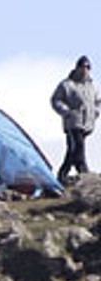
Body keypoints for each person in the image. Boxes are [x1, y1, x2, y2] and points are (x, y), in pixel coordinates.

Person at [52, 57, 98, 185]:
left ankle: (63, 175)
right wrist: (66, 112)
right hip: (73, 122)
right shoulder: (67, 85)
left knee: (73, 150)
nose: (85, 70)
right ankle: (83, 172)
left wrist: (95, 113)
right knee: (78, 146)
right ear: (77, 68)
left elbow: (98, 101)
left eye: (87, 67)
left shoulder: (92, 86)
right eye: (83, 67)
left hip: (87, 123)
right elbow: (56, 100)